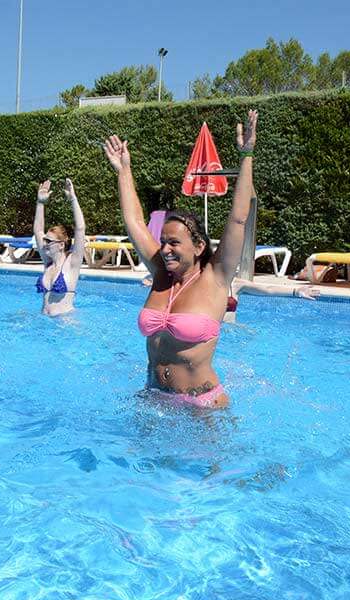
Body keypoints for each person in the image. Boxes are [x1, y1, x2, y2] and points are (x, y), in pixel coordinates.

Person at [103, 110, 258, 409]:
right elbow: (134, 221)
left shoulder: (216, 277)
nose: (165, 249)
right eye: (163, 242)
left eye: (174, 242)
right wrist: (124, 171)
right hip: (151, 398)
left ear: (199, 246)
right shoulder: (161, 274)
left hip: (200, 405)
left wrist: (247, 155)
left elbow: (238, 219)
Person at [32, 178, 86, 316]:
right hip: (44, 322)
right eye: (45, 240)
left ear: (61, 245)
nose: (44, 244)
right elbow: (38, 230)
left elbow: (80, 228)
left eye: (48, 241)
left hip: (64, 324)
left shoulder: (72, 263)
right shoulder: (48, 263)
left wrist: (73, 199)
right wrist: (40, 203)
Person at [224, 279, 319, 324]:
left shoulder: (236, 284)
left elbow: (268, 289)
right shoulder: (209, 283)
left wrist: (296, 291)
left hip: (231, 330)